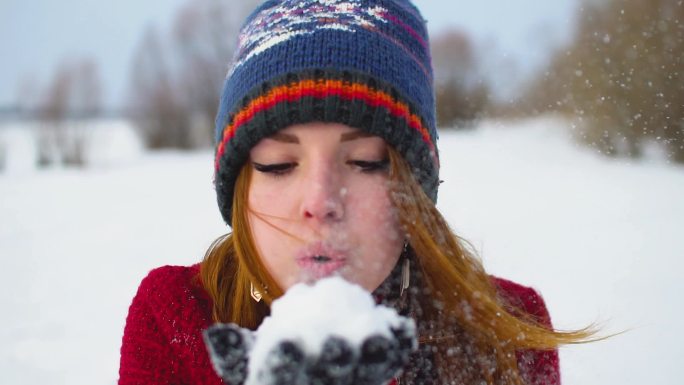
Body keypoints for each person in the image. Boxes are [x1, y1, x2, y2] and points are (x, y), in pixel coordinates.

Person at [119, 1, 595, 384]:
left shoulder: (505, 334)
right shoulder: (177, 318)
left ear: (413, 188)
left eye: (366, 161)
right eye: (277, 164)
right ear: (240, 187)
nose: (321, 202)